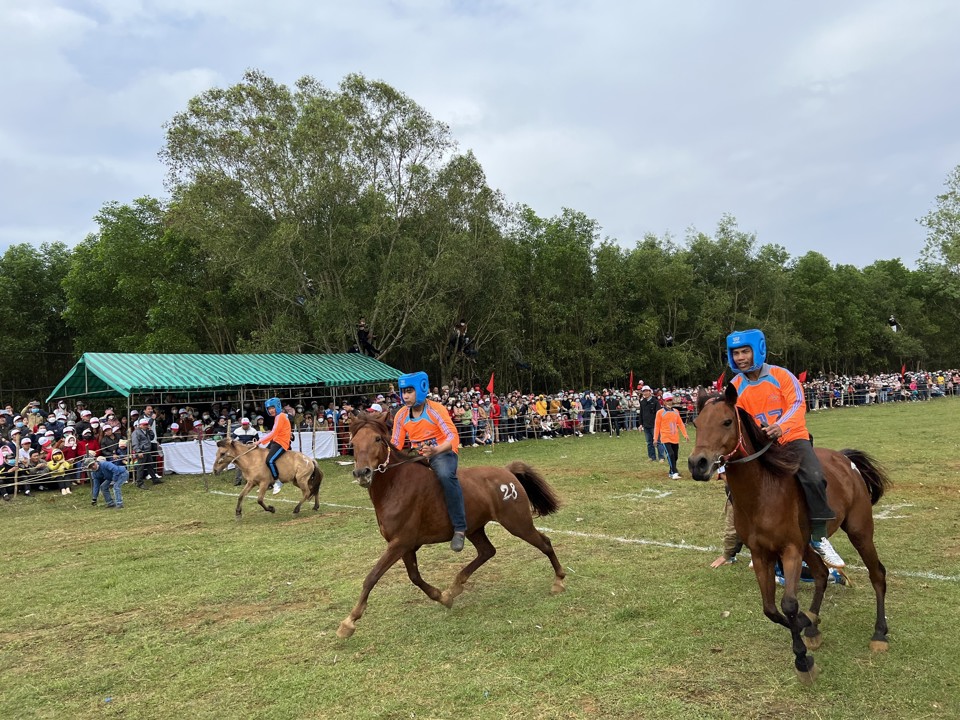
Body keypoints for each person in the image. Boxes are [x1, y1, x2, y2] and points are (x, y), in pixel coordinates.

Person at [727, 328, 845, 568]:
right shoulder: (734, 385)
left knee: (813, 477)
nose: (740, 357)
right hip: (760, 448)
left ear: (758, 350)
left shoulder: (781, 376)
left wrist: (781, 426)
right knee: (734, 487)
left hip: (792, 439)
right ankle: (758, 540)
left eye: (744, 351)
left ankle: (819, 536)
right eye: (735, 353)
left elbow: (798, 404)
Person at [390, 371, 467, 552]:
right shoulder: (401, 415)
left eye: (410, 391)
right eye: (403, 391)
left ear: (421, 388)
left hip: (442, 453)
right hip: (417, 455)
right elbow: (395, 444)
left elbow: (453, 437)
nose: (405, 396)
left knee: (446, 476)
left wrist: (436, 450)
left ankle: (460, 528)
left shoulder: (436, 410)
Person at [259, 398, 291, 495]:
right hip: (275, 441)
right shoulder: (278, 417)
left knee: (270, 460)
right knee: (264, 458)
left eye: (272, 408)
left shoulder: (280, 416)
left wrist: (260, 441)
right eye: (269, 409)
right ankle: (268, 482)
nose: (270, 410)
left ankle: (278, 481)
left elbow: (274, 432)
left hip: (281, 443)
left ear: (277, 407)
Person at [654, 392, 688, 479]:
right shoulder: (660, 412)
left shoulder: (676, 411)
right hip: (665, 437)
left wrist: (685, 434)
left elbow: (680, 423)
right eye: (667, 400)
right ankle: (674, 472)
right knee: (670, 454)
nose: (669, 402)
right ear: (664, 402)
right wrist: (655, 438)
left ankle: (671, 470)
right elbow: (657, 426)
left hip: (675, 437)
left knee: (675, 456)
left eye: (670, 400)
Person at [231, 417, 260, 486]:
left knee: (251, 465)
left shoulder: (253, 431)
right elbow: (231, 440)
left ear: (249, 424)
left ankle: (250, 480)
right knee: (239, 465)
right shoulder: (237, 431)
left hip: (250, 450)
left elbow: (257, 441)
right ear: (241, 424)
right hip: (240, 450)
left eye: (246, 424)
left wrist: (252, 444)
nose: (245, 426)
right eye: (243, 424)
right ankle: (238, 480)